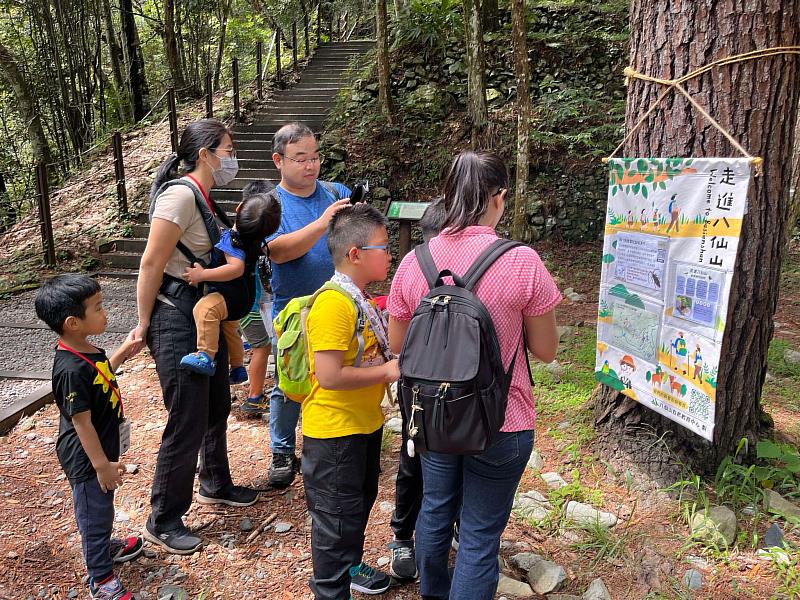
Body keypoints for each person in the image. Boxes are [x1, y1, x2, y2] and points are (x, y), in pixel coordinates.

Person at [387, 150, 561, 600]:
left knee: (434, 512)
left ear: (446, 196)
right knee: (480, 537)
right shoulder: (521, 261)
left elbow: (398, 346)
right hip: (501, 421)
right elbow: (545, 350)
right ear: (499, 198)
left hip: (434, 418)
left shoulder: (415, 261)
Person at [133, 119, 258, 555]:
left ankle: (214, 481)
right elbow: (151, 263)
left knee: (217, 402)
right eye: (227, 148)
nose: (231, 155)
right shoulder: (180, 195)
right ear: (205, 153)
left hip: (201, 314)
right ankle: (163, 517)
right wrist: (143, 323)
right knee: (186, 415)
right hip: (174, 317)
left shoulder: (202, 196)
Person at [303, 203, 398, 598]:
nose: (390, 255)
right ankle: (330, 589)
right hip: (334, 435)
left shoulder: (357, 298)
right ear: (355, 254)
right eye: (383, 247)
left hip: (361, 426)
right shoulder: (334, 304)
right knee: (335, 524)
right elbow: (328, 376)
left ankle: (351, 570)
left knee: (354, 510)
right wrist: (388, 372)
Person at [34, 274, 143, 600]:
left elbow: (99, 374)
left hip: (100, 449)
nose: (105, 312)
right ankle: (101, 578)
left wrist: (123, 351)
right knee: (94, 513)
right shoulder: (68, 368)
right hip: (86, 457)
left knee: (101, 507)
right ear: (73, 323)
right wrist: (101, 466)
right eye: (97, 308)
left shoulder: (85, 350)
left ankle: (103, 546)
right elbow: (81, 423)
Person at [264, 121, 352, 487]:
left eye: (315, 157)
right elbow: (278, 252)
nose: (311, 165)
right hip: (292, 306)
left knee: (341, 371)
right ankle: (282, 450)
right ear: (278, 160)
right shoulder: (270, 205)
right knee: (291, 378)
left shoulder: (335, 192)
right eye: (300, 158)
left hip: (340, 302)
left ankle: (337, 443)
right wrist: (322, 223)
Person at [387, 197, 446, 581]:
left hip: (418, 389)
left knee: (414, 460)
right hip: (461, 389)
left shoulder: (410, 264)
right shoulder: (482, 263)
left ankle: (405, 537)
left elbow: (396, 342)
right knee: (434, 459)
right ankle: (406, 535)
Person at [179, 191, 280, 376]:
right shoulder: (257, 240)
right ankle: (237, 366)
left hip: (230, 296)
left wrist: (202, 274)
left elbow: (236, 268)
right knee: (229, 328)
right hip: (244, 299)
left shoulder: (233, 240)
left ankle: (205, 355)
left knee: (204, 310)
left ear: (239, 207)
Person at [237, 180, 279, 415]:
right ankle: (254, 397)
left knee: (262, 347)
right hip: (249, 306)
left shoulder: (245, 235)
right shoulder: (250, 238)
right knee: (261, 347)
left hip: (252, 304)